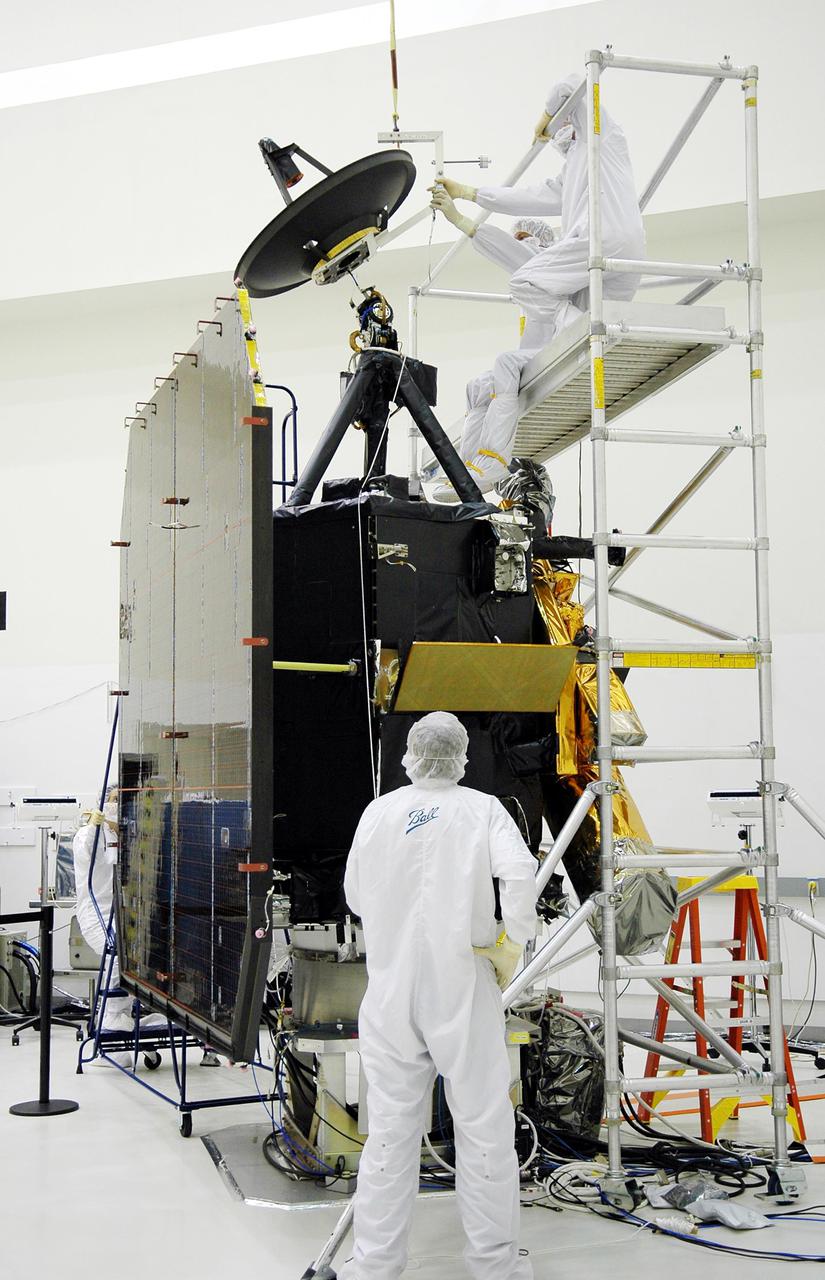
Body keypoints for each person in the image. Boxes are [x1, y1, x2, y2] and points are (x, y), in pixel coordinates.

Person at [340, 712, 538, 1280]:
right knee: (483, 1129)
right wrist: (513, 940)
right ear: (462, 756)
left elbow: (355, 894)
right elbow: (519, 876)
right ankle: (493, 1267)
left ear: (410, 754)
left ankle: (375, 1265)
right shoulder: (483, 810)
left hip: (391, 990)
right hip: (463, 987)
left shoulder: (380, 812)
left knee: (390, 1134)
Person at [429, 71, 645, 495]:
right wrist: (468, 199)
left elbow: (569, 86)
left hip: (607, 242)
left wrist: (544, 119)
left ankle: (490, 460)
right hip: (587, 270)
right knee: (485, 381)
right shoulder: (570, 182)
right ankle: (467, 468)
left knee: (528, 282)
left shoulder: (605, 139)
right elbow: (526, 208)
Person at [72, 788, 132, 1036]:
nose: (118, 805)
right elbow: (87, 852)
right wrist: (96, 827)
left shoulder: (131, 834)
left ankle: (125, 1014)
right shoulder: (87, 834)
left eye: (122, 800)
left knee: (135, 956)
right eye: (114, 800)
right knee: (116, 954)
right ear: (103, 803)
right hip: (96, 912)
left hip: (122, 912)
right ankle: (110, 1017)